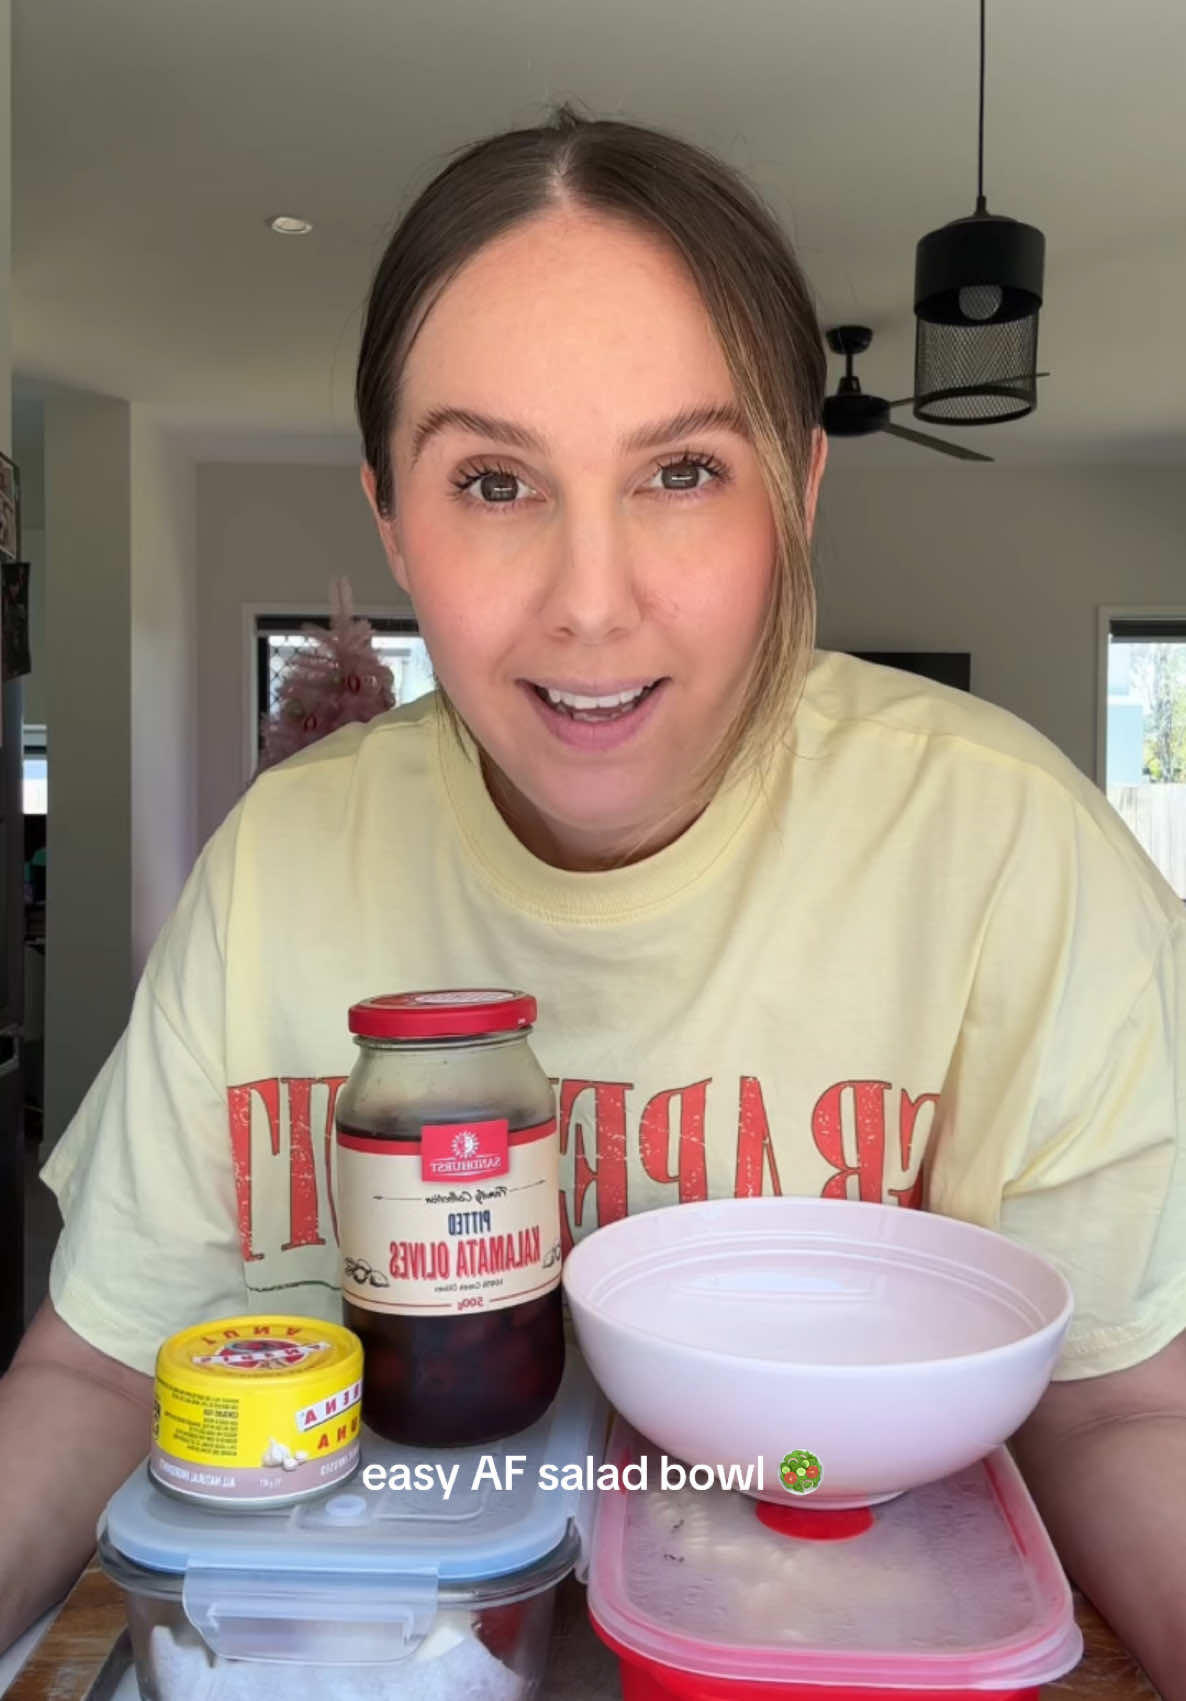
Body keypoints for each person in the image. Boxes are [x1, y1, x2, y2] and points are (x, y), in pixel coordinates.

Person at [2, 107, 1184, 1688]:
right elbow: (91, 1375)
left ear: (799, 494)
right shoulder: (285, 861)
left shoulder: (1006, 849)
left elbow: (1118, 1400)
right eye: (493, 481)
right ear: (390, 520)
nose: (590, 600)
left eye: (683, 470)